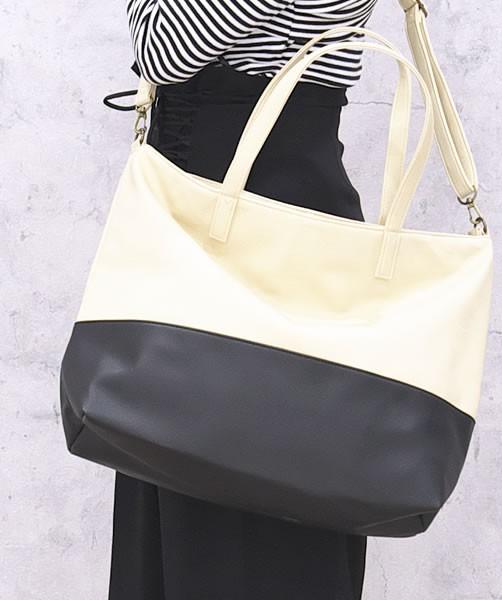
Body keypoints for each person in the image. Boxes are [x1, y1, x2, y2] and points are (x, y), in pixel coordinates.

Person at [107, 1, 378, 598]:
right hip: (204, 213)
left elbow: (164, 47)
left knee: (250, 496)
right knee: (185, 475)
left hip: (265, 220)